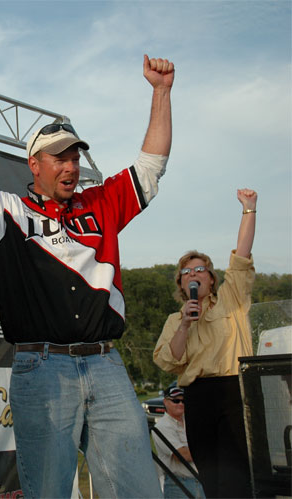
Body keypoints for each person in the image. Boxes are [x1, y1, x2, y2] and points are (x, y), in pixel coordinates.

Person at [0, 53, 175, 498]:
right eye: (59, 158)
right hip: (41, 368)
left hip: (106, 363)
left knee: (138, 491)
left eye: (75, 157)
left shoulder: (101, 203)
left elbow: (151, 165)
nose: (71, 167)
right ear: (34, 164)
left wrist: (161, 92)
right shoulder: (6, 211)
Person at [154, 189, 257, 498]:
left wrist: (249, 209)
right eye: (186, 272)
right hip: (198, 398)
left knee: (237, 480)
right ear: (181, 283)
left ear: (211, 278)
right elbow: (168, 360)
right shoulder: (175, 319)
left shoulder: (231, 299)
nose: (193, 274)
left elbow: (241, 257)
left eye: (200, 269)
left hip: (235, 390)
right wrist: (185, 324)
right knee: (211, 482)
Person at [153, 385, 206, 498]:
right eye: (176, 401)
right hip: (178, 485)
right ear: (165, 402)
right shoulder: (162, 426)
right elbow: (182, 455)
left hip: (200, 481)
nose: (180, 404)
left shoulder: (191, 421)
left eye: (183, 401)